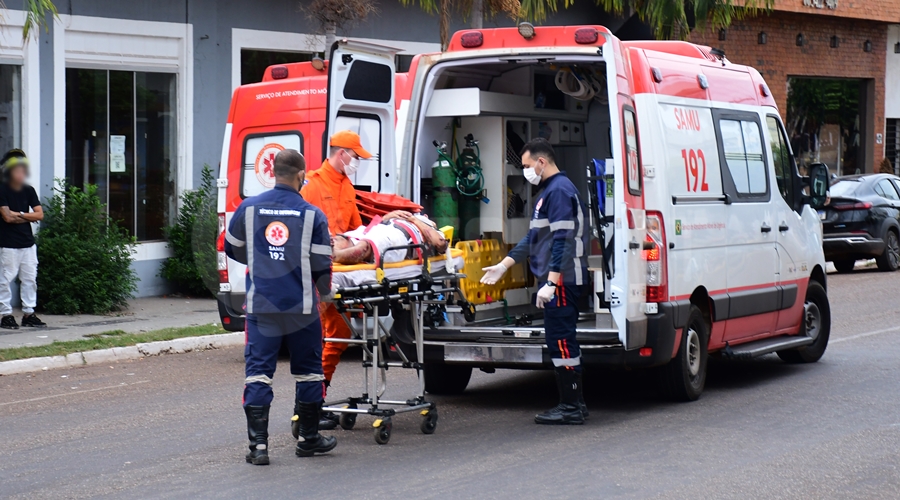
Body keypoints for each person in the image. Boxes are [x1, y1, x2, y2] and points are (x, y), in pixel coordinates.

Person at [225, 149, 335, 465]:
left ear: (273, 173)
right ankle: (308, 440)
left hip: (262, 307)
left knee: (258, 374)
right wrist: (326, 297)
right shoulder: (313, 215)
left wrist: (261, 259)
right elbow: (321, 266)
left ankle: (258, 447)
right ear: (301, 176)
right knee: (309, 373)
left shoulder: (248, 208)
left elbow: (232, 247)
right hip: (302, 309)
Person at [480, 138, 588, 425]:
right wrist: (504, 265)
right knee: (559, 339)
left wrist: (552, 283)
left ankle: (571, 406)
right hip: (557, 279)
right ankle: (574, 404)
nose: (525, 171)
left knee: (561, 341)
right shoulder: (548, 192)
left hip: (563, 279)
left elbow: (563, 240)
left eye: (527, 165)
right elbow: (533, 237)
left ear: (542, 161)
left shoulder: (559, 191)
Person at [300, 130, 370, 429]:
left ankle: (315, 399)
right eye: (355, 156)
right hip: (317, 274)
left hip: (341, 276)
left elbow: (356, 230)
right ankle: (307, 408)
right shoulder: (312, 184)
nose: (357, 162)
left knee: (339, 334)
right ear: (341, 154)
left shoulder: (347, 187)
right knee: (318, 339)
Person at [0, 149, 46, 329]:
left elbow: (40, 215)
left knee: (30, 279)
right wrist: (28, 216)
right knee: (5, 280)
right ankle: (6, 315)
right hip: (8, 243)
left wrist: (18, 214)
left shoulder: (28, 190)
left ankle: (29, 313)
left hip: (28, 243)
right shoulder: (2, 189)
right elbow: (7, 217)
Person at [331, 210, 449, 265]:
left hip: (399, 237)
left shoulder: (432, 229)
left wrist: (415, 220)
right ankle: (327, 253)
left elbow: (440, 244)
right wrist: (387, 217)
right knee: (341, 239)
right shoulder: (408, 218)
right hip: (379, 227)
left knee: (366, 246)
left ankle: (334, 256)